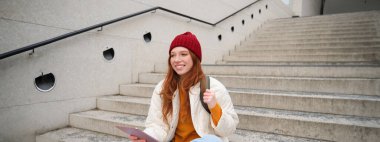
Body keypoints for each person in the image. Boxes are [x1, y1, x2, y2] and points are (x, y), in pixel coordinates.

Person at [129, 32, 239, 142]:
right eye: (173, 55)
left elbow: (229, 129)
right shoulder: (162, 88)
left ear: (194, 57)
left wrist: (214, 107)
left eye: (183, 54)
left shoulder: (214, 87)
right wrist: (146, 136)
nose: (176, 59)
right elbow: (157, 125)